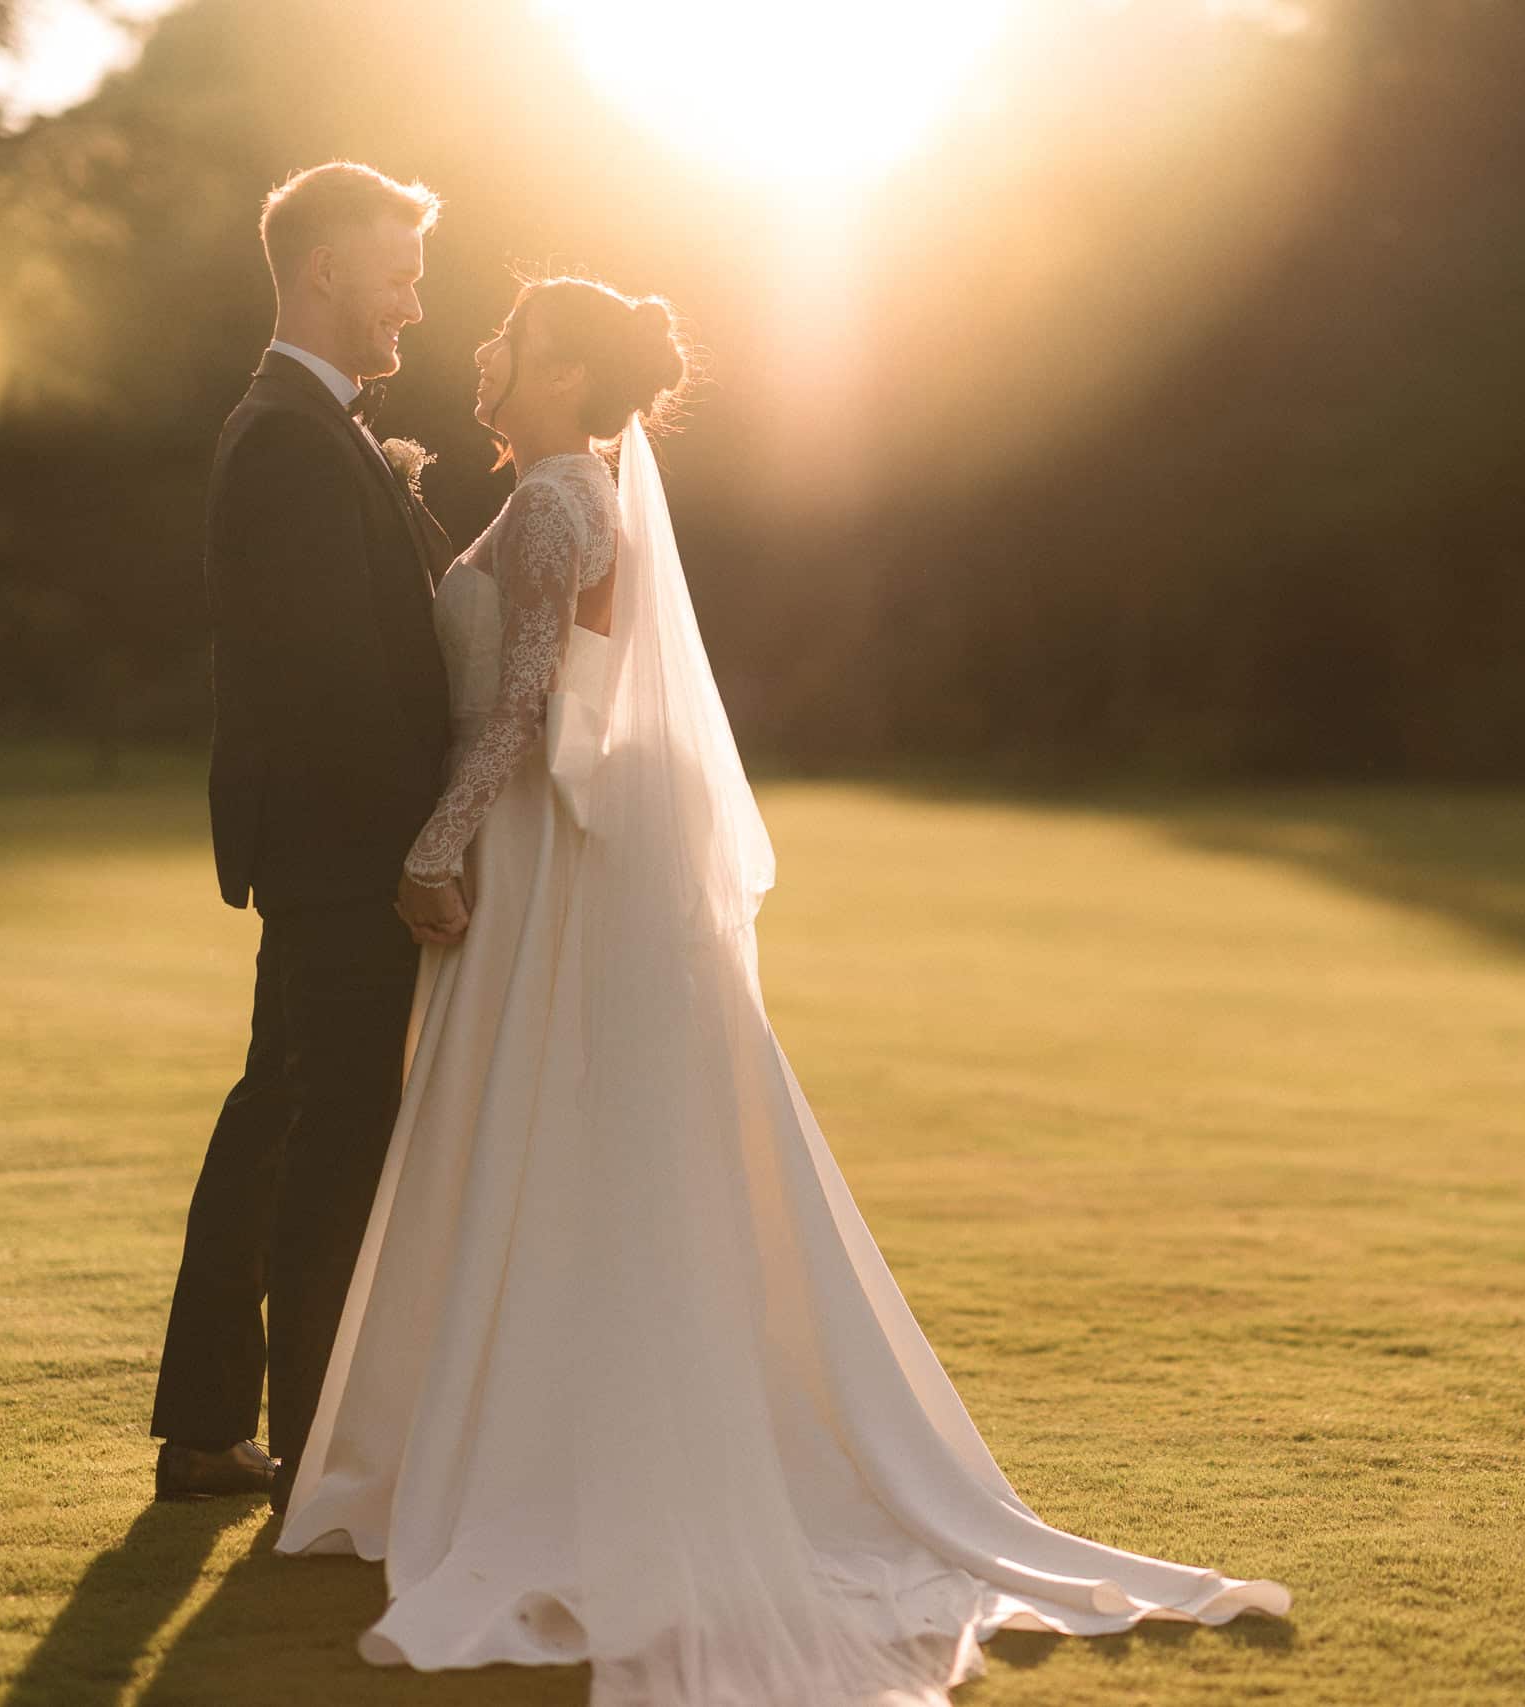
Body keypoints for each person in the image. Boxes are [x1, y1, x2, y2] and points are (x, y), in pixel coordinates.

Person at [274, 271, 1291, 1705]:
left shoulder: (566, 500)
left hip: (536, 852)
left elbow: (520, 701)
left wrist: (439, 838)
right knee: (536, 1130)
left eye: (511, 338)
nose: (485, 353)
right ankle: (505, 1432)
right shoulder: (559, 486)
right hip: (541, 844)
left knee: (547, 1126)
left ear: (564, 371)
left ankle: (537, 1457)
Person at [149, 161, 455, 1508]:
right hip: (343, 848)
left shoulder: (317, 425)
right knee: (335, 1133)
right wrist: (423, 848)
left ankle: (212, 1431)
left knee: (280, 1116)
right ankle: (316, 1447)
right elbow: (334, 680)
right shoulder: (287, 434)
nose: (416, 297)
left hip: (333, 845)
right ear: (325, 268)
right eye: (399, 269)